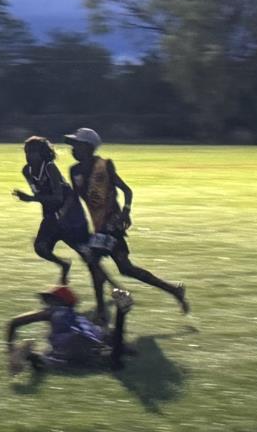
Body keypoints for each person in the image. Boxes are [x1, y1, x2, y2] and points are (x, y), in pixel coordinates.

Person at [65, 127, 189, 317]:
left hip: (112, 225)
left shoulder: (104, 166)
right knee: (125, 268)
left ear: (89, 147)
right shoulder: (74, 172)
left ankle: (101, 311)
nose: (73, 149)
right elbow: (76, 199)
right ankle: (173, 290)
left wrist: (126, 211)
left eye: (77, 145)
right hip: (98, 228)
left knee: (94, 261)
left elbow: (126, 190)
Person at [12, 136, 97, 287]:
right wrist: (34, 200)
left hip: (70, 214)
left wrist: (31, 199)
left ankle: (106, 283)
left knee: (86, 254)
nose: (28, 156)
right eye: (26, 152)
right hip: (52, 215)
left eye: (32, 153)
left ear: (43, 153)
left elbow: (57, 197)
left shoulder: (50, 167)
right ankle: (64, 264)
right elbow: (40, 194)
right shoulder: (27, 171)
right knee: (41, 248)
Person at [5, 285, 136, 375]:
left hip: (71, 346)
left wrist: (9, 347)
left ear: (58, 301)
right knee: (113, 360)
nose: (45, 303)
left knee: (44, 361)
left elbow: (14, 322)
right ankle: (121, 314)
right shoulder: (79, 318)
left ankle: (28, 354)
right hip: (93, 343)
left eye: (48, 299)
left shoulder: (54, 311)